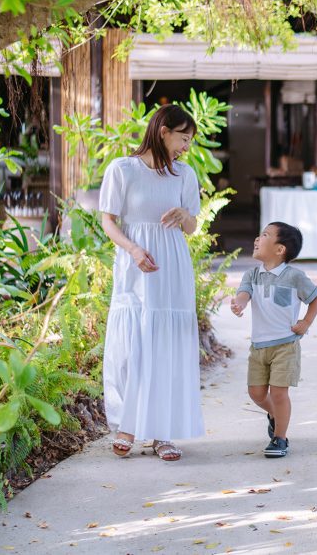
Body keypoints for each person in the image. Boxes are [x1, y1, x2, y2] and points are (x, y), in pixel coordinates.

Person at [99, 104, 203, 461]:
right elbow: (108, 220)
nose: (186, 147)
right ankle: (127, 425)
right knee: (132, 344)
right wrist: (132, 249)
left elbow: (192, 227)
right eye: (183, 138)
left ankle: (162, 433)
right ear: (163, 131)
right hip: (136, 265)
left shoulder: (185, 175)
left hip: (172, 266)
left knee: (166, 345)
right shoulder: (123, 169)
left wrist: (185, 215)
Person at [230, 222, 317, 458]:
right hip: (259, 346)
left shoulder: (294, 277)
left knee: (280, 394)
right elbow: (244, 293)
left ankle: (280, 438)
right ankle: (275, 415)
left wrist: (306, 322)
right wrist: (239, 303)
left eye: (265, 235)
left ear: (280, 249)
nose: (257, 239)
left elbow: (316, 297)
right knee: (257, 394)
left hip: (285, 346)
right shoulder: (252, 274)